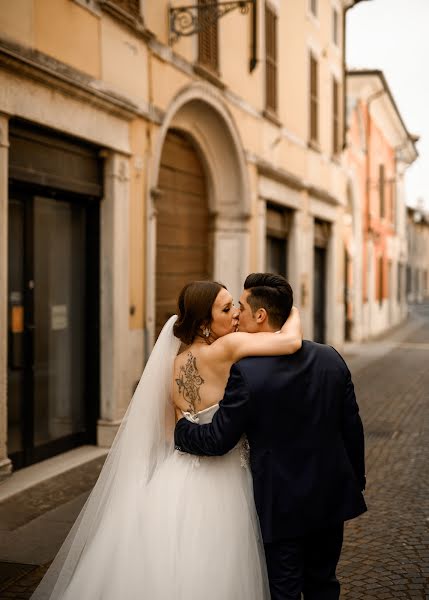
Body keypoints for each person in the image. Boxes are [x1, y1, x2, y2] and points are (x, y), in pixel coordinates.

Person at [31, 279, 302, 600]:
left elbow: (169, 429)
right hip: (222, 475)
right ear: (204, 324)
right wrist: (292, 309)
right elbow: (291, 342)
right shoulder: (228, 348)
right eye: (227, 308)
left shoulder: (176, 363)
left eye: (235, 306)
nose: (235, 314)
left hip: (179, 471)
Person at [175, 272, 367, 600]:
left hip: (280, 504)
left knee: (285, 590)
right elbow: (352, 428)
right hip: (329, 497)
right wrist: (355, 480)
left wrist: (182, 429)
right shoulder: (330, 358)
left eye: (241, 308)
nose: (237, 315)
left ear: (260, 315)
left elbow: (218, 440)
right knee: (324, 583)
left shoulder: (246, 373)